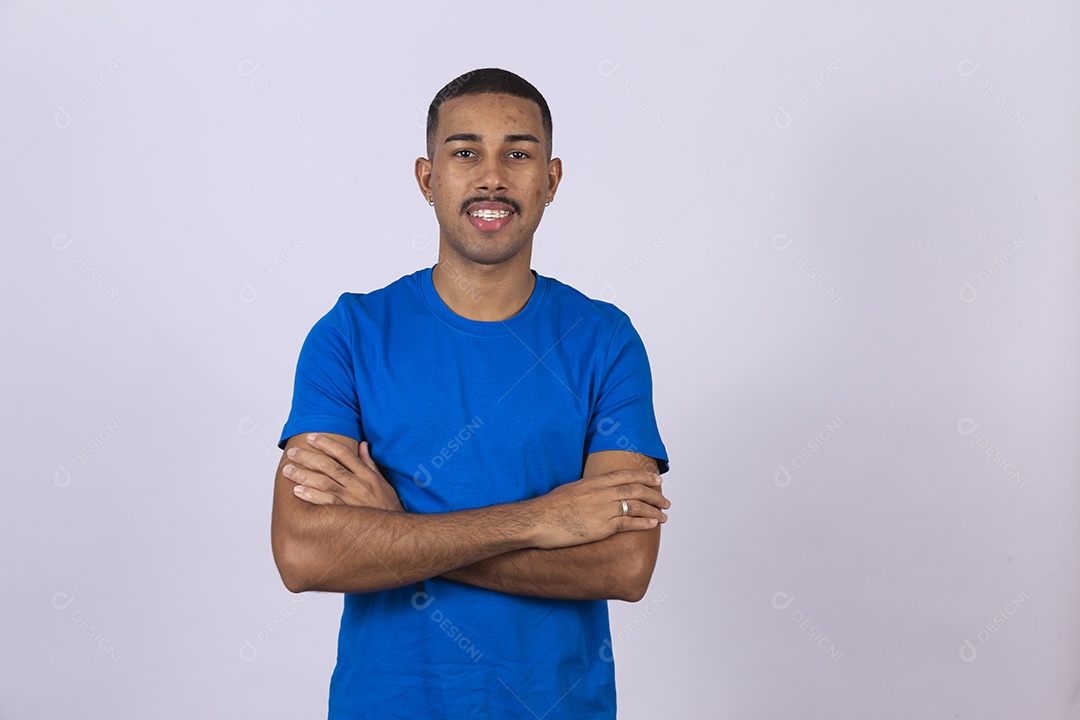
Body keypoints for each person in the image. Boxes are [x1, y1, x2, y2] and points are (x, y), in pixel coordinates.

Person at [271, 67, 670, 719]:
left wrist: (396, 528)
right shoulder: (350, 335)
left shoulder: (605, 341)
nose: (492, 177)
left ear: (551, 178)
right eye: (465, 153)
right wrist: (542, 522)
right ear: (428, 179)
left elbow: (624, 565)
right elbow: (304, 553)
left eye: (518, 153)